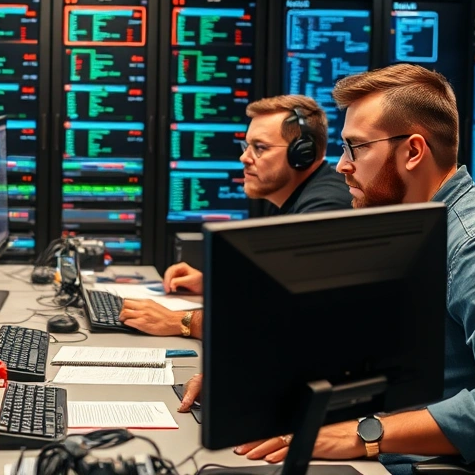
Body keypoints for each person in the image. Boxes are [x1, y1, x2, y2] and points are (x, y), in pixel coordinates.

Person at [180, 64, 475, 474]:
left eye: (356, 147)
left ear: (413, 151)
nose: (340, 165)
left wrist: (361, 434)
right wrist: (254, 376)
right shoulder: (410, 227)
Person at [118, 95, 351, 337]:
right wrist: (212, 284)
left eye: (259, 148)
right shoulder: (293, 199)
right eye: (247, 146)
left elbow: (282, 316)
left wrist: (182, 321)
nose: (244, 157)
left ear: (302, 154)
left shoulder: (325, 209)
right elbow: (272, 287)